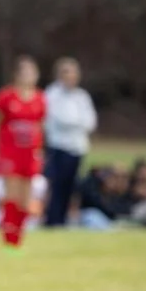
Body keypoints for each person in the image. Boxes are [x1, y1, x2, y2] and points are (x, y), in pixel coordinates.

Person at [0, 56, 46, 250]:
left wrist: (40, 150)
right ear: (17, 75)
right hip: (10, 153)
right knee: (11, 196)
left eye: (32, 72)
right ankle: (8, 239)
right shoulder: (5, 97)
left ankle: (18, 238)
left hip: (29, 154)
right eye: (25, 72)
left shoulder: (40, 98)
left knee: (26, 199)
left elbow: (40, 127)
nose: (28, 76)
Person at [42, 58, 97, 227]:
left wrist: (75, 123)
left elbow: (90, 122)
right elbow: (57, 119)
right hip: (58, 147)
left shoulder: (82, 96)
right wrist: (75, 123)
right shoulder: (52, 94)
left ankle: (64, 219)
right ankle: (53, 220)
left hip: (77, 148)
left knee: (71, 186)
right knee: (56, 186)